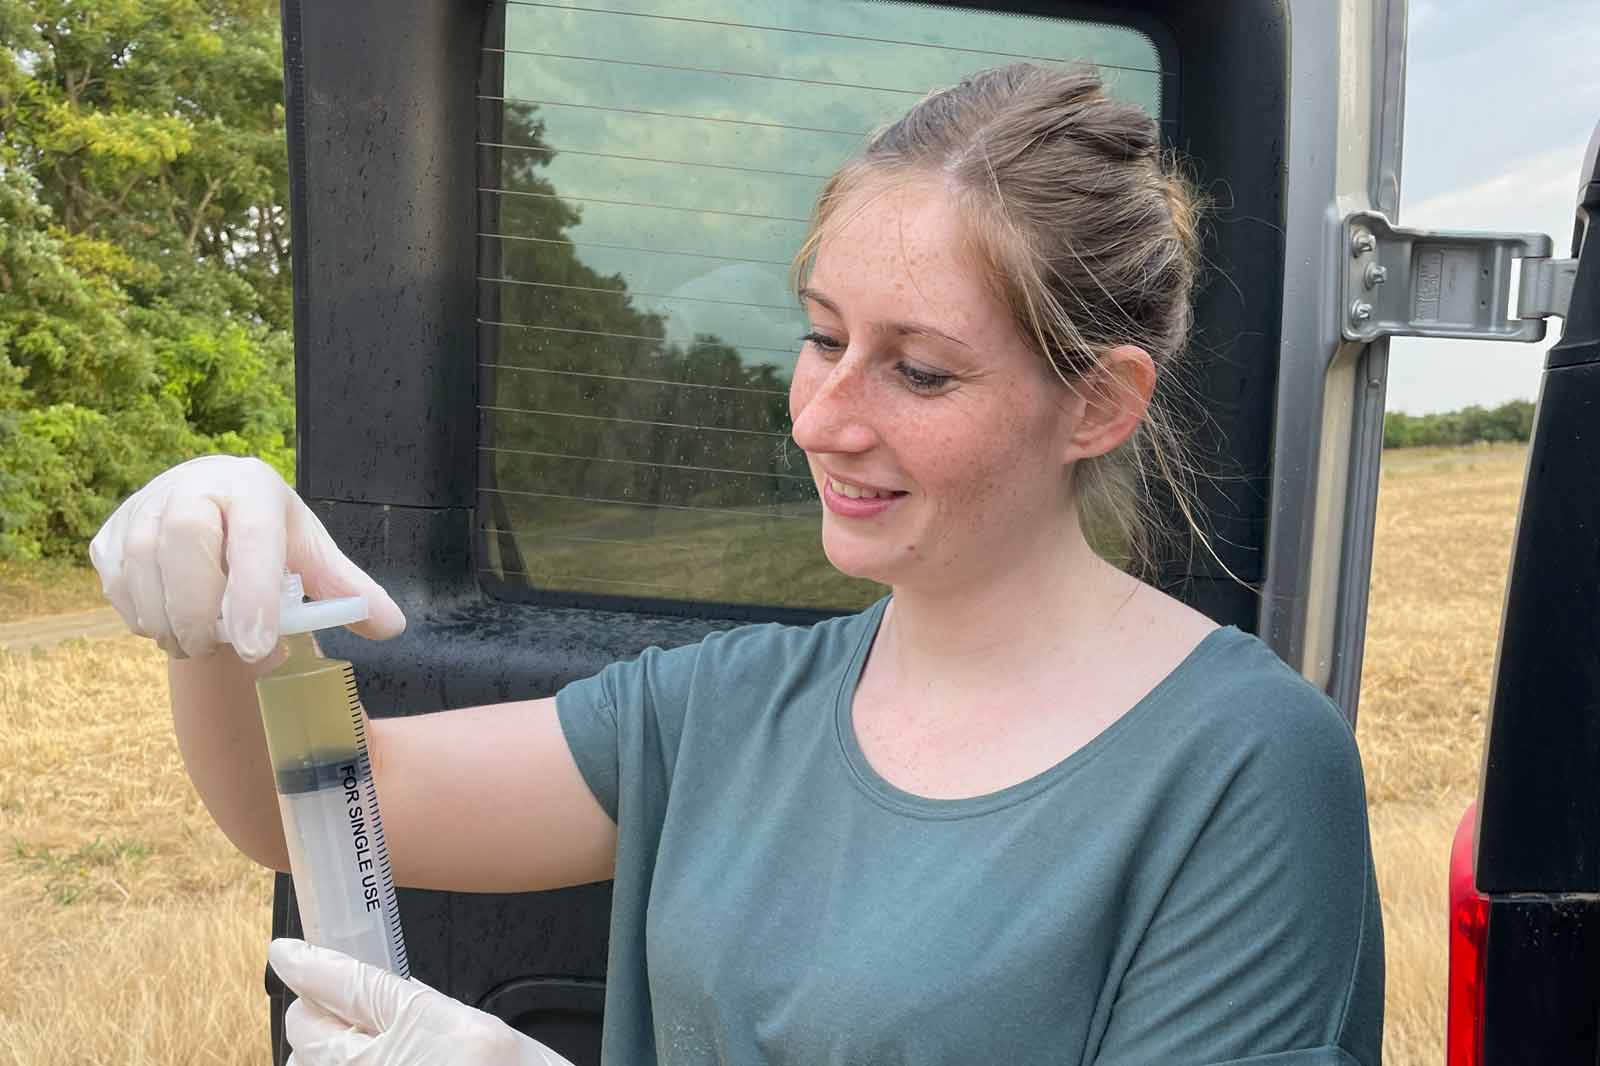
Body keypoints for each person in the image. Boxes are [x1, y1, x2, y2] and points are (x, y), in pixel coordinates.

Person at [90, 63, 1383, 1066]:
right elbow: (313, 811)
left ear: (1099, 403)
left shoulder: (1237, 765)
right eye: (823, 338)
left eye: (919, 369)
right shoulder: (725, 710)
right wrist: (220, 606)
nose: (825, 417)